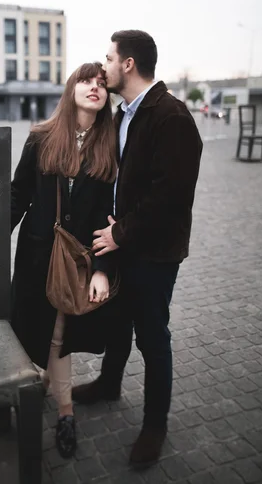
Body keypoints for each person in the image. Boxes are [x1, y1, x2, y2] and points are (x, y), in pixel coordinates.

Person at [0, 62, 117, 459]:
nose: (94, 87)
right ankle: (46, 391)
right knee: (38, 329)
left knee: (59, 333)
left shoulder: (108, 146)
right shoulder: (42, 137)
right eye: (86, 80)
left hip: (76, 261)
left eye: (101, 83)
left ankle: (63, 411)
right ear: (71, 88)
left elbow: (105, 214)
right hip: (36, 255)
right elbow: (18, 193)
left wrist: (101, 269)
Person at [72, 31, 203, 468]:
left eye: (108, 58)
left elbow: (171, 197)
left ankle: (154, 426)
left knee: (152, 335)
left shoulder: (171, 116)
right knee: (117, 321)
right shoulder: (125, 113)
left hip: (154, 251)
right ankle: (109, 384)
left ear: (127, 64)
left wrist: (120, 235)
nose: (103, 65)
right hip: (123, 242)